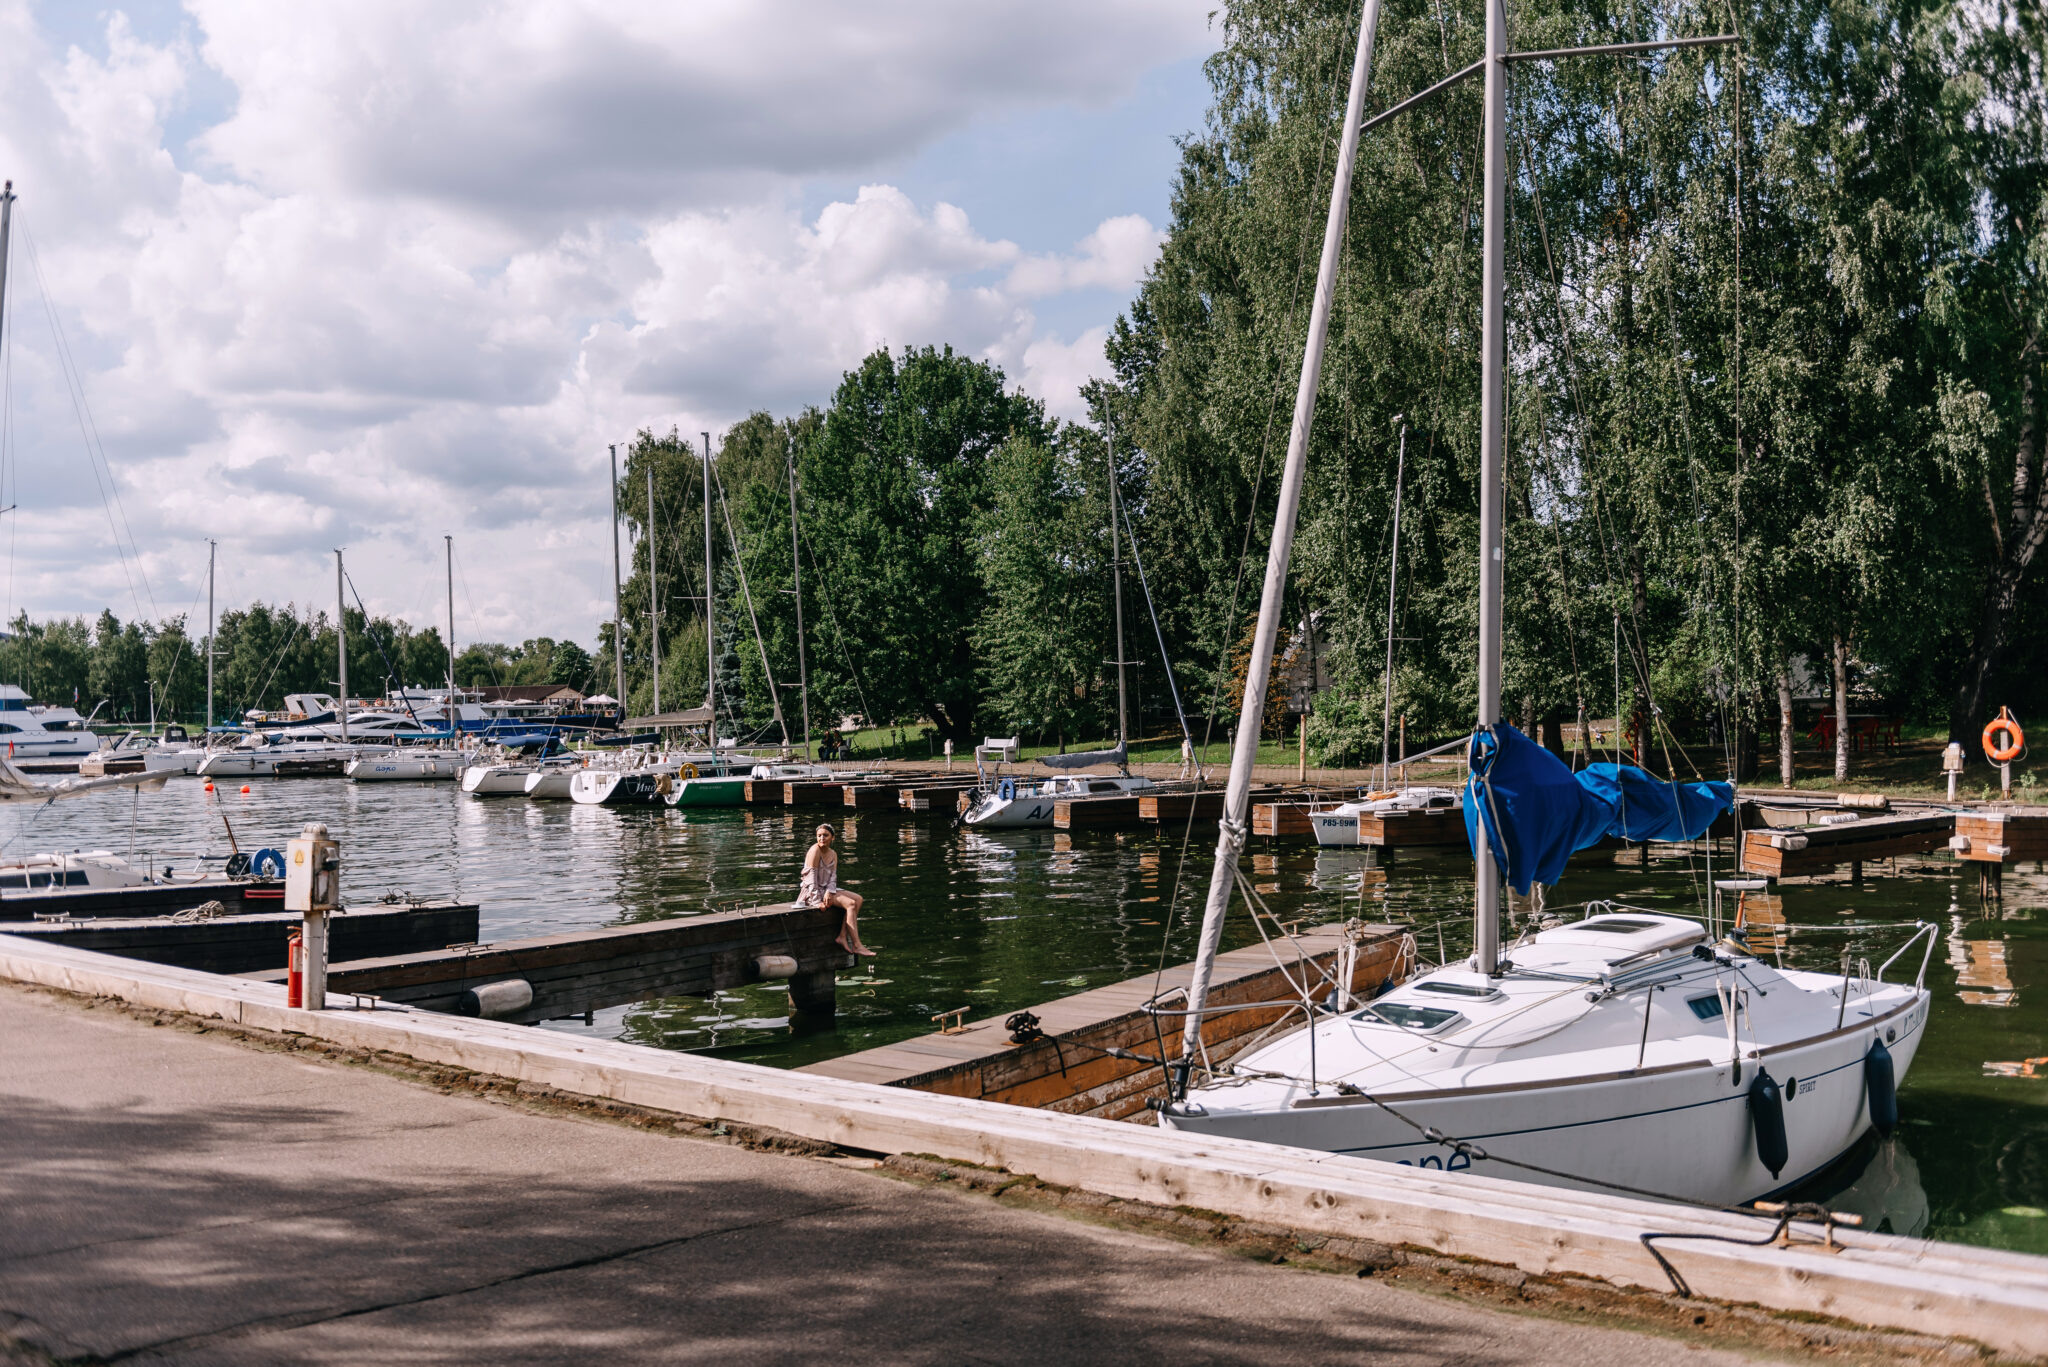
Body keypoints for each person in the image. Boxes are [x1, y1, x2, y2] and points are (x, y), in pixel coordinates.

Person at [798, 822, 873, 956]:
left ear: (833, 837)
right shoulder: (814, 850)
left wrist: (829, 891)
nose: (822, 838)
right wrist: (816, 901)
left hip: (827, 890)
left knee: (858, 899)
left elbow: (833, 877)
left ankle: (842, 936)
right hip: (812, 892)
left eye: (825, 835)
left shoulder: (833, 854)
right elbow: (810, 880)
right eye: (819, 836)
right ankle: (857, 945)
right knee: (851, 904)